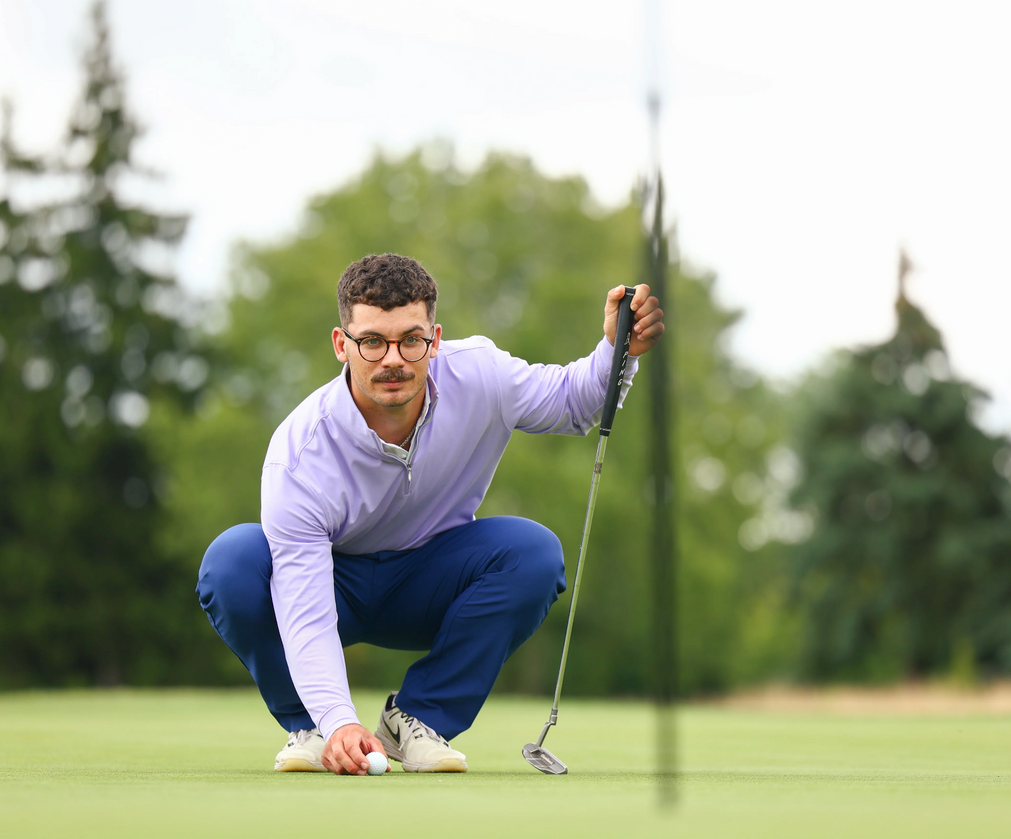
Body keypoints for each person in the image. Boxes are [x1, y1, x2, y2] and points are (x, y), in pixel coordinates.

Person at [196, 253, 664, 775]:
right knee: (232, 560)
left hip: (431, 582)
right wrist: (337, 717)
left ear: (434, 339)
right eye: (372, 341)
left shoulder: (481, 374)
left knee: (532, 553)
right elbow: (304, 606)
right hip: (334, 585)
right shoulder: (300, 453)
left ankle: (417, 719)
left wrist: (617, 350)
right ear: (341, 345)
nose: (392, 358)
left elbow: (574, 403)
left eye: (410, 340)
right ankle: (312, 727)